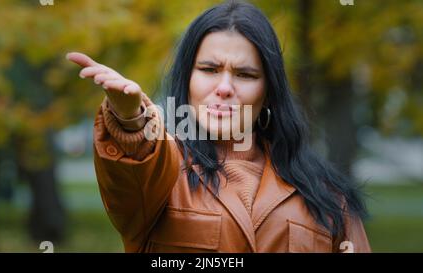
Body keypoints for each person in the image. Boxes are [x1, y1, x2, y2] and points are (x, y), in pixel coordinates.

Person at [66, 0, 371, 253]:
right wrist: (129, 120)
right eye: (209, 69)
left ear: (268, 93)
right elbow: (132, 169)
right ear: (188, 80)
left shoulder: (326, 196)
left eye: (245, 74)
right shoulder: (160, 173)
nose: (224, 87)